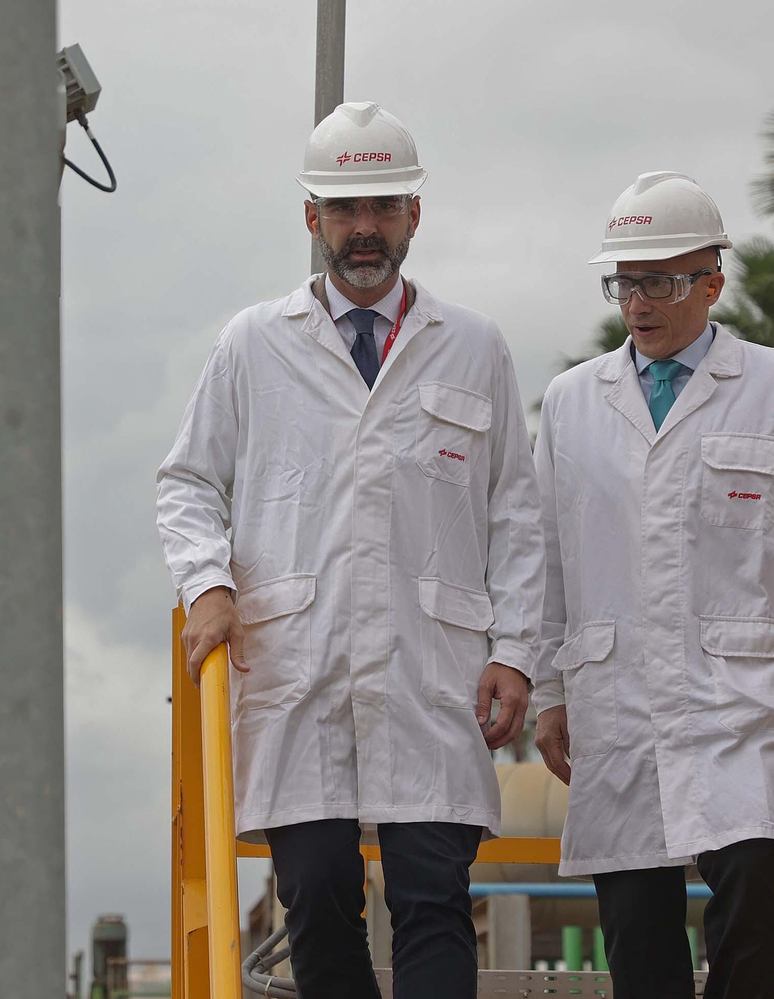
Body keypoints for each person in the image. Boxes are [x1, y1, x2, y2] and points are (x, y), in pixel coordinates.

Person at [156, 101, 544, 999]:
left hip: (433, 670)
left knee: (435, 899)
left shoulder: (474, 345)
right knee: (319, 897)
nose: (364, 228)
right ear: (311, 218)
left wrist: (518, 650)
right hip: (300, 665)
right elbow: (187, 480)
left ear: (414, 214)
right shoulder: (253, 344)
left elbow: (518, 515)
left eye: (383, 207)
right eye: (343, 208)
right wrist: (208, 583)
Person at [531, 171, 774, 999]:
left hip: (741, 697)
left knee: (750, 885)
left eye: (660, 283)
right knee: (638, 935)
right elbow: (548, 557)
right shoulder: (570, 402)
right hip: (617, 702)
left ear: (712, 283)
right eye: (625, 282)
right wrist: (549, 689)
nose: (638, 304)